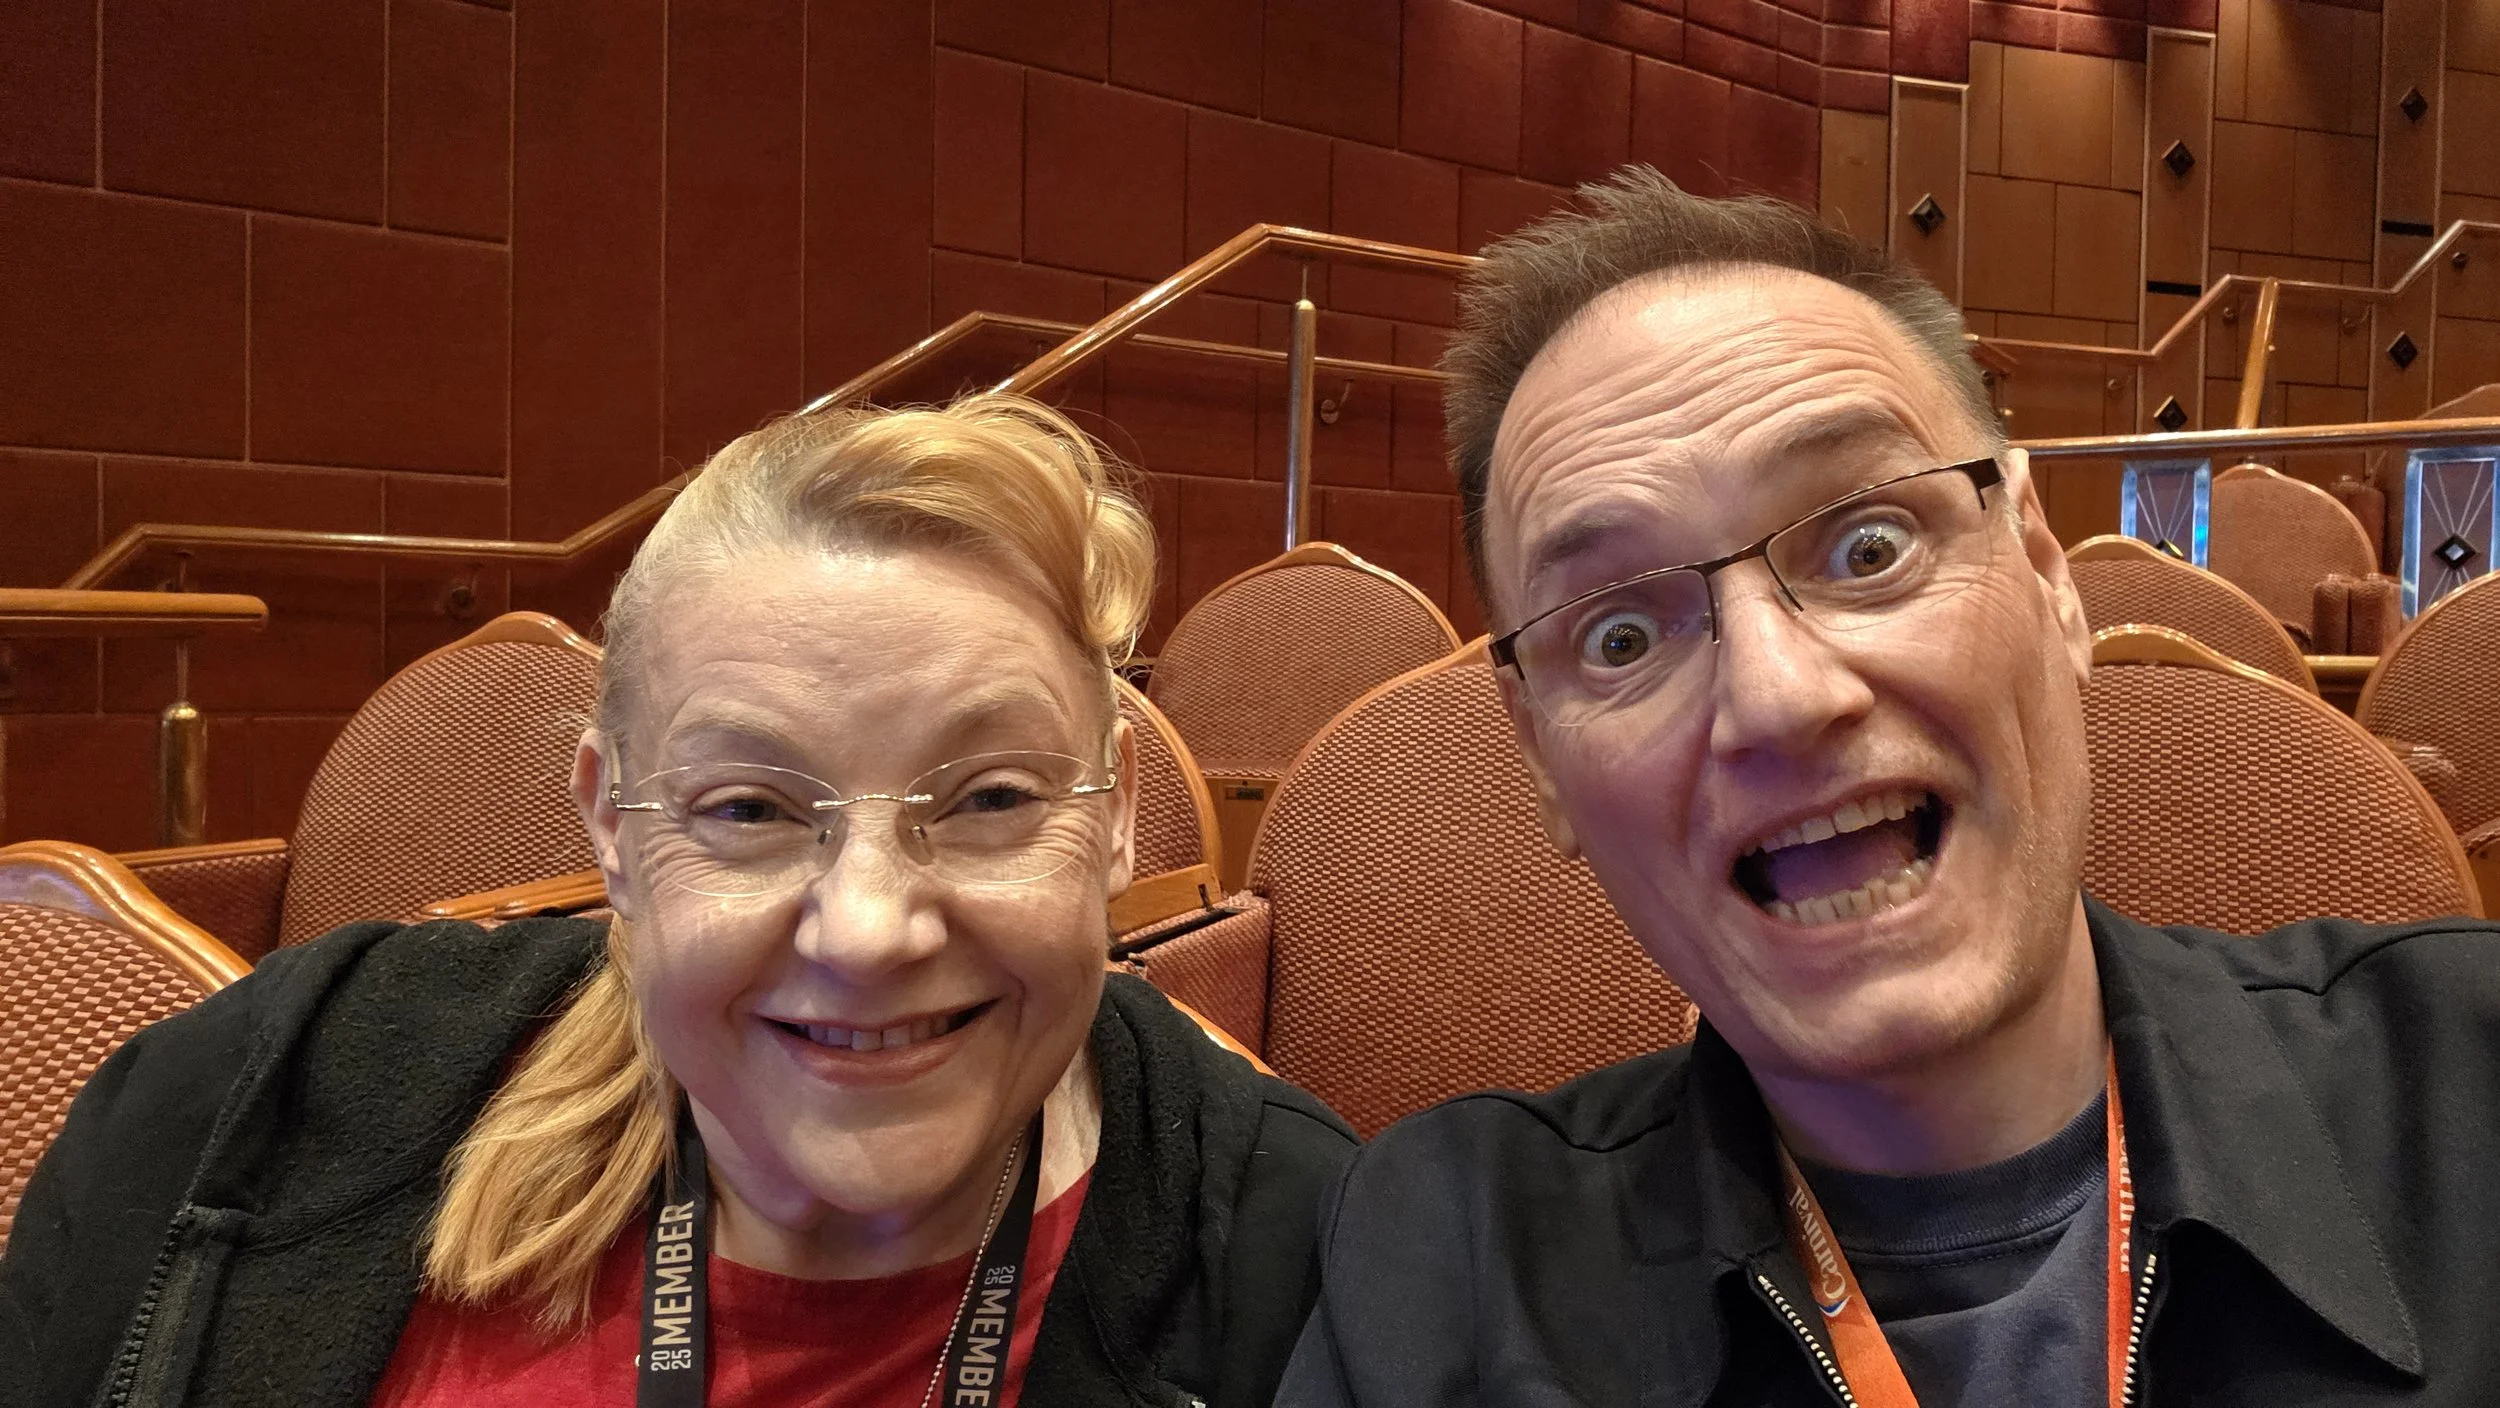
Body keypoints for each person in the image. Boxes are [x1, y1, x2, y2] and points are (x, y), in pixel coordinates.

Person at [1277, 167, 2500, 1405]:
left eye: (1869, 547)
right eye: (1622, 636)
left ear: (2046, 575)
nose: (1778, 696)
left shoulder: (2470, 1076)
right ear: (1538, 753)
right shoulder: (1440, 1269)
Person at [0, 395, 1354, 1408]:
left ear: (1116, 817)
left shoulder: (1311, 1268)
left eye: (990, 798)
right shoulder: (238, 1106)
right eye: (749, 811)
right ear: (611, 822)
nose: (868, 930)